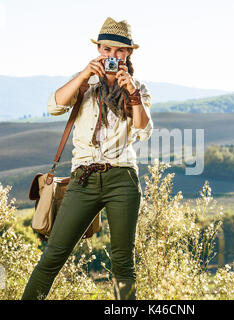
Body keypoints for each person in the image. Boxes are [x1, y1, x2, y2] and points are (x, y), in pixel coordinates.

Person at [21, 17, 153, 300]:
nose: (112, 57)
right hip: (83, 178)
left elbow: (143, 130)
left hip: (122, 177)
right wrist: (83, 76)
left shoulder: (138, 88)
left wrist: (132, 93)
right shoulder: (85, 83)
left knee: (123, 265)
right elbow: (54, 106)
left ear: (128, 54)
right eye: (107, 50)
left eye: (119, 51)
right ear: (99, 50)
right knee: (53, 256)